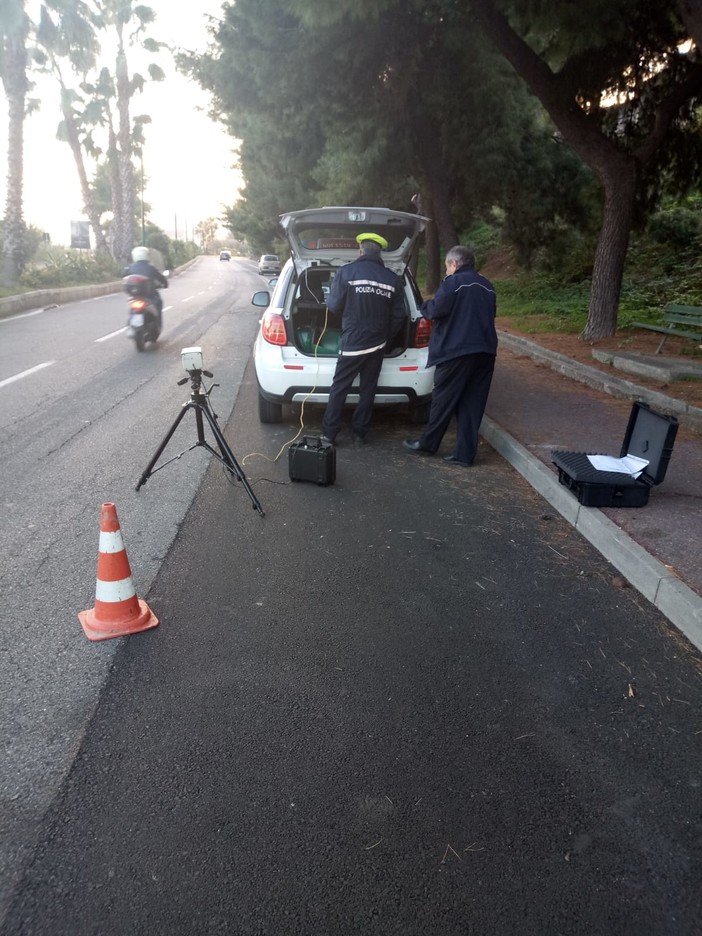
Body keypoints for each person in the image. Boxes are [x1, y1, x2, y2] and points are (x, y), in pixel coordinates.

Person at [403, 245, 497, 466]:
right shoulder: (488, 286)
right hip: (485, 352)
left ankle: (427, 444)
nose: (446, 270)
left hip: (456, 352)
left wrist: (424, 306)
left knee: (443, 400)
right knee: (472, 404)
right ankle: (464, 455)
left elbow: (435, 311)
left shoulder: (453, 283)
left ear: (455, 264)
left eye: (447, 266)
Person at [321, 232, 406, 445]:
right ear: (380, 254)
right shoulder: (392, 279)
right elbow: (399, 316)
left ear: (360, 251)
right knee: (368, 389)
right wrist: (387, 337)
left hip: (352, 342)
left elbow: (333, 306)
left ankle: (329, 434)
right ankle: (360, 433)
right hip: (377, 344)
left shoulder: (347, 272)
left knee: (339, 387)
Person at [125, 246, 168, 327]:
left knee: (131, 307)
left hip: (134, 296)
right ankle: (157, 325)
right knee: (158, 303)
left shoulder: (130, 268)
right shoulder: (150, 268)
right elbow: (161, 278)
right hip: (149, 296)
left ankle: (131, 323)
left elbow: (124, 277)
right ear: (146, 255)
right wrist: (165, 284)